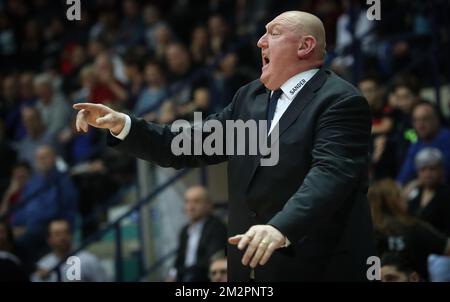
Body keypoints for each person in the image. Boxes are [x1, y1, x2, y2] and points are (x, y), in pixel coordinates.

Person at [73, 11, 375, 281]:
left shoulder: (339, 100)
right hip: (250, 266)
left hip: (319, 265)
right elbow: (189, 144)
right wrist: (124, 125)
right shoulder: (251, 97)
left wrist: (281, 227)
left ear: (305, 46)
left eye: (274, 33)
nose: (260, 42)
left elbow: (331, 174)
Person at [168, 186, 227, 282]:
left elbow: (211, 260)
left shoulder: (217, 228)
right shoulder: (184, 230)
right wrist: (172, 274)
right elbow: (179, 259)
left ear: (208, 205)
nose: (190, 207)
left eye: (196, 201)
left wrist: (181, 272)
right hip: (184, 275)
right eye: (187, 202)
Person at [32, 219, 108, 282]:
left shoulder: (88, 260)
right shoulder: (43, 265)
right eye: (57, 234)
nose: (63, 237)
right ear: (49, 239)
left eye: (66, 232)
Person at [397, 101, 450, 185]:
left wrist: (415, 184)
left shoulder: (447, 139)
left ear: (436, 119)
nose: (420, 125)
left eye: (425, 119)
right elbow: (404, 175)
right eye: (416, 120)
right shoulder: (416, 142)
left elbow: (442, 176)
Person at [405, 148, 450, 236]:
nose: (428, 174)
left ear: (440, 170)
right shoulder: (415, 191)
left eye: (432, 169)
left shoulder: (446, 194)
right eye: (423, 169)